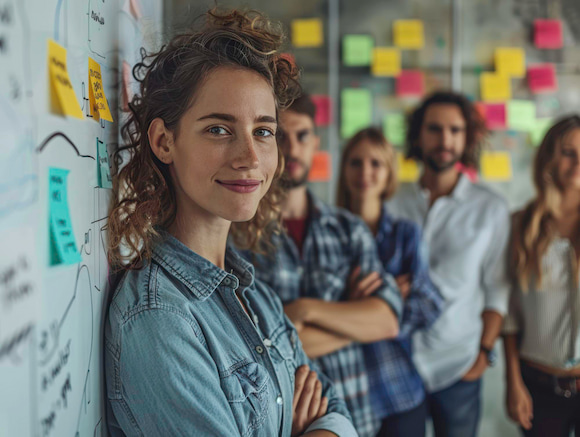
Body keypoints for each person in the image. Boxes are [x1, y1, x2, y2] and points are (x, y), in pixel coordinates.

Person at [104, 9, 357, 437]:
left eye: (263, 131)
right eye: (219, 129)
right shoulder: (160, 317)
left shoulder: (250, 289)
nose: (250, 158)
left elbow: (336, 411)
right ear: (165, 142)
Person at [244, 94, 403, 437]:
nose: (294, 148)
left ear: (316, 143)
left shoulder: (349, 229)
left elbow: (386, 321)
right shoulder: (241, 235)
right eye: (281, 136)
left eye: (303, 137)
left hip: (357, 410)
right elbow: (254, 345)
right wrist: (350, 317)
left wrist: (303, 310)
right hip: (278, 418)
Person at [386, 91, 511, 437]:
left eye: (455, 130)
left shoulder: (490, 208)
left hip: (459, 365)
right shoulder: (392, 202)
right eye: (435, 129)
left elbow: (497, 289)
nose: (445, 139)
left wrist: (484, 354)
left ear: (467, 137)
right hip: (398, 362)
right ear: (418, 135)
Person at [336, 126, 444, 437]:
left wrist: (375, 312)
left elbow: (430, 305)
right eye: (356, 162)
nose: (365, 172)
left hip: (398, 389)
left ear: (388, 173)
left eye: (376, 164)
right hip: (342, 392)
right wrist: (384, 301)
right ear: (344, 169)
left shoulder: (404, 234)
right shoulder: (325, 232)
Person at [503, 115, 580, 437]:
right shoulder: (520, 226)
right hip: (539, 385)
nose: (578, 162)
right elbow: (508, 316)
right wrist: (513, 381)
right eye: (568, 152)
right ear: (548, 157)